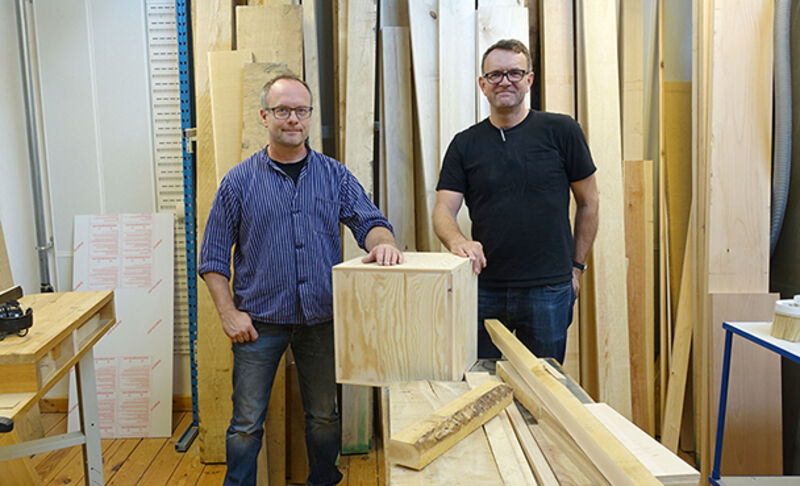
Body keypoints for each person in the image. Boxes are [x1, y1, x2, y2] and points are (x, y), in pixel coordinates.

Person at [198, 74, 403, 486]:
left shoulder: (335, 176)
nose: (292, 118)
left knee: (324, 416)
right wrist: (228, 313)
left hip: (321, 319)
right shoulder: (238, 182)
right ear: (265, 116)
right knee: (245, 423)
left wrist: (383, 244)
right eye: (282, 110)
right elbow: (213, 257)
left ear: (309, 117)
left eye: (301, 111)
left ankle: (323, 481)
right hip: (258, 324)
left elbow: (372, 222)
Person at [433, 39, 599, 363]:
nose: (505, 81)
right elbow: (443, 209)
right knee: (482, 388)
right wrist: (457, 241)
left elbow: (589, 202)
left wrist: (576, 269)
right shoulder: (464, 144)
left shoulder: (561, 131)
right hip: (483, 288)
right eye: (495, 75)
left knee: (544, 392)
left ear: (529, 79)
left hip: (548, 289)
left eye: (514, 73)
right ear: (482, 84)